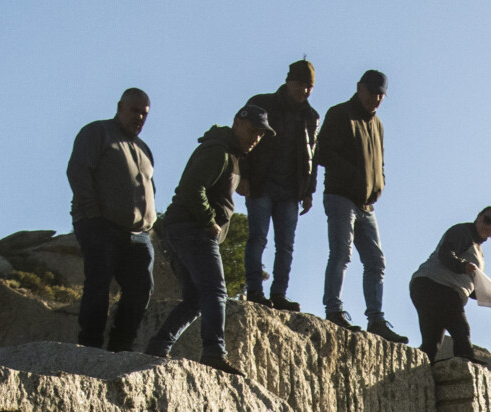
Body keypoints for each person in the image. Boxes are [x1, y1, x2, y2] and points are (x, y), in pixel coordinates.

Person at [144, 104, 271, 374]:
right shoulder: (219, 152)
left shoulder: (230, 153)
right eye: (253, 130)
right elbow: (191, 187)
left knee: (194, 299)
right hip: (193, 229)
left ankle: (158, 345)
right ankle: (214, 352)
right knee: (215, 291)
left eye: (261, 134)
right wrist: (208, 221)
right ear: (238, 123)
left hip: (181, 228)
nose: (256, 138)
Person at [314, 69, 406, 341]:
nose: (376, 99)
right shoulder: (340, 114)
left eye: (381, 95)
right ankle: (333, 309)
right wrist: (354, 175)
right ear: (359, 88)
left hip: (366, 204)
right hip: (340, 196)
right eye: (372, 93)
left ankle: (376, 319)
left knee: (376, 261)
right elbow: (323, 153)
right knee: (341, 253)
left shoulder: (378, 125)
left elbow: (380, 161)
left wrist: (379, 182)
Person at [66, 88, 156, 351]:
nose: (139, 117)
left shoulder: (144, 148)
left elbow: (149, 187)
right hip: (101, 224)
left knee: (141, 289)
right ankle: (90, 345)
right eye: (135, 111)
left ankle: (120, 347)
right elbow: (78, 170)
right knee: (99, 284)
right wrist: (92, 212)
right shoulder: (97, 132)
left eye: (144, 113)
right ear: (120, 107)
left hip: (138, 233)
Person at [243, 60, 319, 311]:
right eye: (300, 84)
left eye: (309, 86)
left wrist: (309, 191)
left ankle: (279, 294)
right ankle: (254, 290)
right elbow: (242, 139)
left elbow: (313, 156)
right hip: (260, 183)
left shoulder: (311, 116)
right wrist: (242, 176)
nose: (304, 91)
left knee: (285, 246)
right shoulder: (261, 104)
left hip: (291, 190)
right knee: (258, 238)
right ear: (288, 82)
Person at [410, 206, 491, 362]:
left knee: (432, 343)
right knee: (461, 331)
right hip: (436, 286)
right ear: (478, 217)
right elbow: (446, 253)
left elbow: (469, 286)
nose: (488, 226)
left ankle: (414, 371)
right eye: (487, 220)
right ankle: (465, 366)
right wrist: (462, 265)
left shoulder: (477, 249)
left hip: (433, 288)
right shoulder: (464, 232)